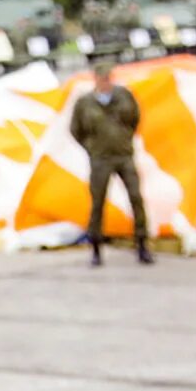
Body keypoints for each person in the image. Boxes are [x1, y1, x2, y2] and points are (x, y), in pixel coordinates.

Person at [70, 64, 151, 266]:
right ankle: (96, 247)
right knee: (98, 203)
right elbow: (76, 130)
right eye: (101, 77)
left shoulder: (123, 96)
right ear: (95, 78)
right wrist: (91, 147)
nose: (105, 81)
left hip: (123, 155)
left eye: (108, 77)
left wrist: (124, 139)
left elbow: (135, 118)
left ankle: (142, 244)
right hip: (100, 159)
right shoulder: (85, 103)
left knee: (136, 198)